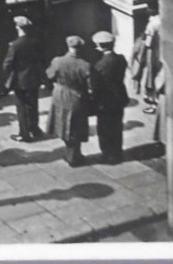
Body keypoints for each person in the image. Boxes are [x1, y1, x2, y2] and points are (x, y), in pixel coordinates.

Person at [45, 36, 95, 167]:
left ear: (68, 46)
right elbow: (91, 86)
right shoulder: (85, 65)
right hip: (76, 98)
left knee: (62, 123)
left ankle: (71, 153)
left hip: (59, 94)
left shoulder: (57, 61)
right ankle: (73, 156)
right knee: (75, 127)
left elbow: (49, 75)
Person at [0, 15, 45, 141]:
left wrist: (13, 72)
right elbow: (41, 60)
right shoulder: (35, 42)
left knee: (21, 108)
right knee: (33, 105)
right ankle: (35, 129)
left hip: (20, 81)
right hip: (34, 79)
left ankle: (24, 134)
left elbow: (7, 64)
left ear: (18, 28)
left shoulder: (15, 45)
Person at [90, 31, 130, 162]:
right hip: (119, 97)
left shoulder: (100, 65)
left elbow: (96, 86)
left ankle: (107, 154)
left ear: (101, 46)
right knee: (117, 127)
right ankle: (117, 152)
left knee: (104, 129)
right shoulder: (121, 59)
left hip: (105, 101)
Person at [133, 15, 162, 111]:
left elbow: (148, 43)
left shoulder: (152, 24)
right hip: (161, 52)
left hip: (152, 53)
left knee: (151, 78)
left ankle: (153, 104)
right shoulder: (161, 19)